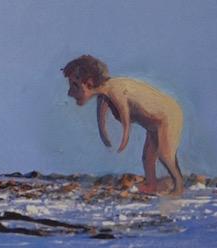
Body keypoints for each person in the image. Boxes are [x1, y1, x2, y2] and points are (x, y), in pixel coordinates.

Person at [63, 55, 185, 196]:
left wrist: (124, 140)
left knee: (165, 156)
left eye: (75, 86)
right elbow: (101, 121)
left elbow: (125, 117)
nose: (70, 92)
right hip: (155, 124)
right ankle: (151, 185)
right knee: (147, 158)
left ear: (89, 83)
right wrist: (105, 137)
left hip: (168, 115)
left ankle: (178, 186)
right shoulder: (103, 96)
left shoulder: (115, 90)